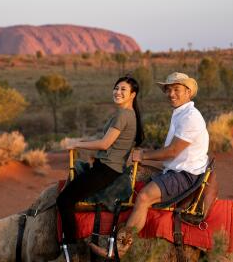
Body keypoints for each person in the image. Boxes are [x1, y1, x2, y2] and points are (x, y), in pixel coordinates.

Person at [92, 72, 209, 257]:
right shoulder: (180, 113)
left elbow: (172, 151)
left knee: (144, 197)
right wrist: (141, 157)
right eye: (168, 90)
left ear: (188, 92)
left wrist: (143, 155)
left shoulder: (190, 118)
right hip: (175, 168)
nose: (171, 94)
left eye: (176, 89)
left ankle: (120, 248)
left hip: (184, 174)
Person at [56, 76, 144, 260]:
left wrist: (77, 143)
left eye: (123, 90)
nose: (118, 92)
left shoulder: (123, 115)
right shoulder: (128, 114)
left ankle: (72, 252)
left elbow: (104, 144)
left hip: (106, 169)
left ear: (132, 95)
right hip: (109, 166)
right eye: (116, 88)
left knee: (64, 200)